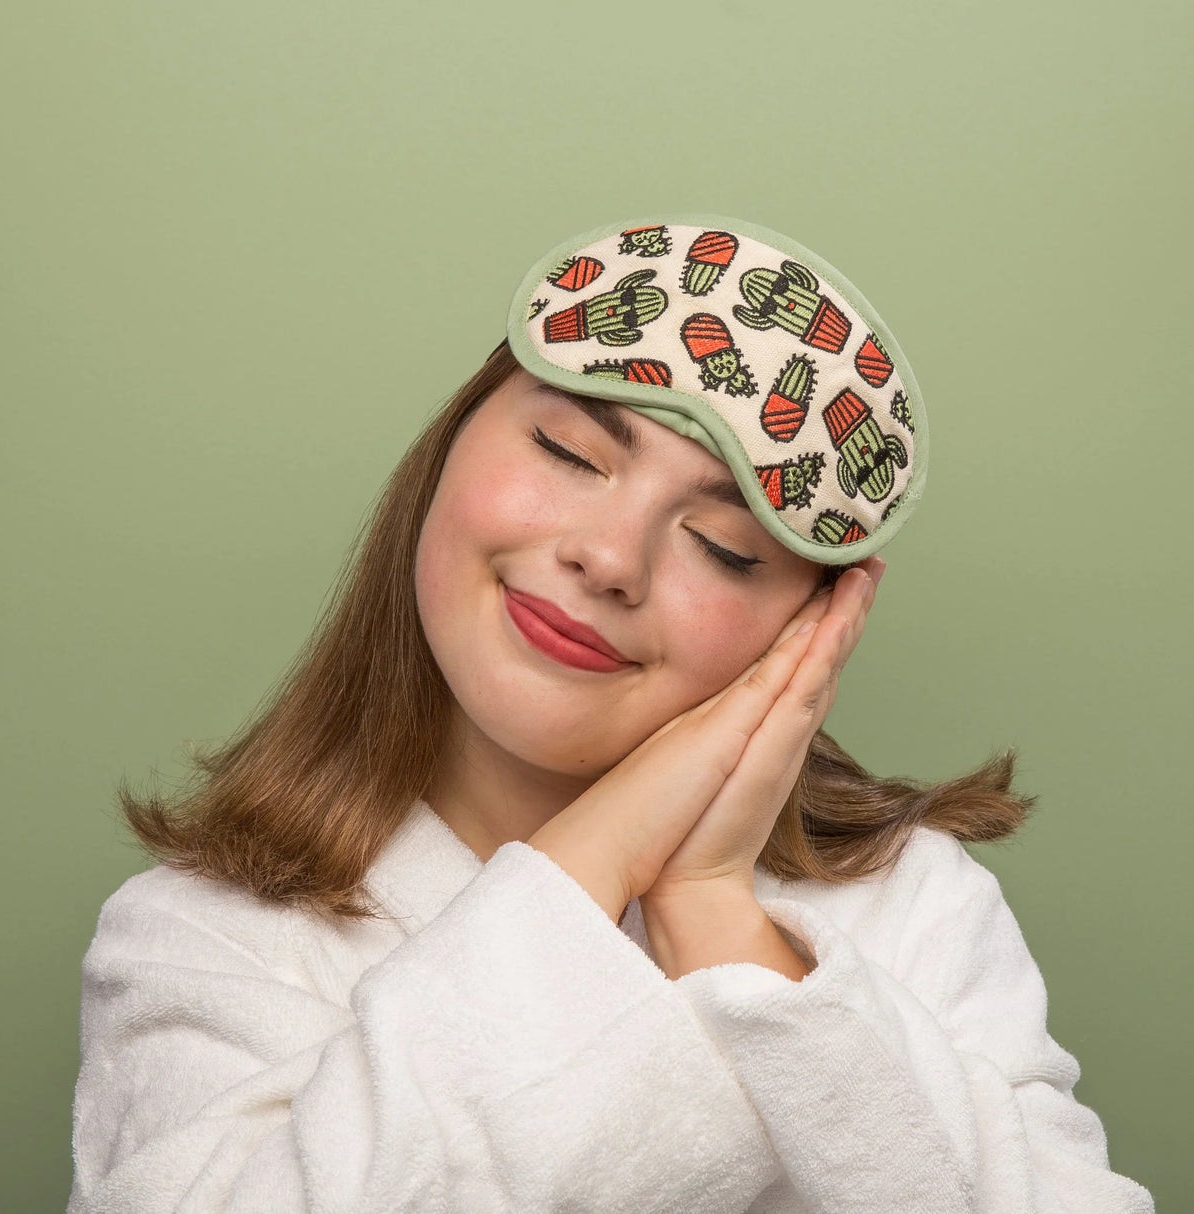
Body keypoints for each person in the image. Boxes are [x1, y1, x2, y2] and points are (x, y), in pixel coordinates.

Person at [66, 216, 1155, 1212]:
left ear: (810, 626)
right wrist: (596, 856)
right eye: (569, 453)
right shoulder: (200, 938)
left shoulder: (916, 911)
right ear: (450, 443)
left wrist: (720, 919)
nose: (607, 557)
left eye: (725, 548)